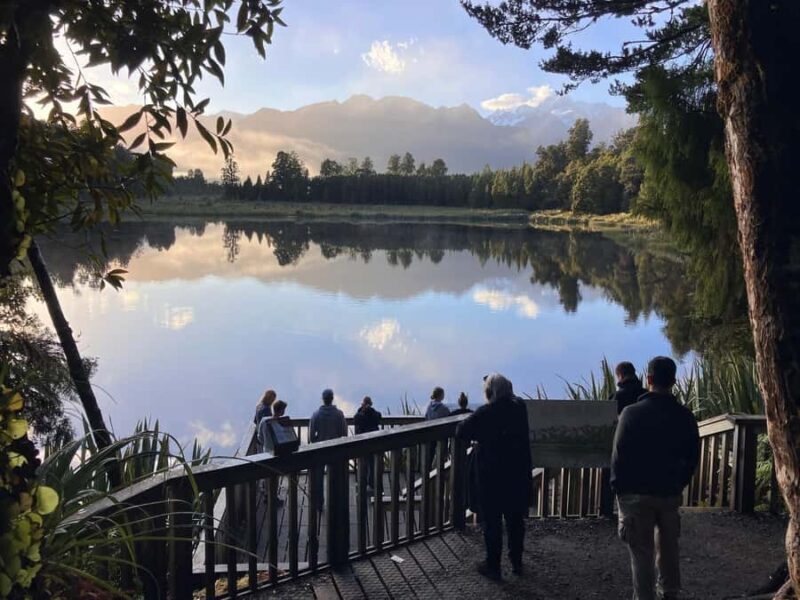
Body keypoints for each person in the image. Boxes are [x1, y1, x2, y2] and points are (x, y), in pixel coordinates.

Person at [611, 356, 700, 600]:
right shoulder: (685, 416)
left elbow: (618, 457)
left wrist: (619, 489)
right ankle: (670, 593)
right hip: (669, 493)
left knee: (642, 554)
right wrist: (678, 483)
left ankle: (645, 597)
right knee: (670, 548)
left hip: (636, 495)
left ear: (648, 379)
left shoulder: (630, 414)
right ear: (673, 381)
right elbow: (692, 457)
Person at [456, 374, 531, 581]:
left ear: (490, 393)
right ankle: (517, 563)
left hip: (492, 479)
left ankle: (493, 566)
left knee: (492, 523)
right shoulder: (520, 408)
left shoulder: (487, 412)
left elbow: (462, 431)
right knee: (516, 521)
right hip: (516, 475)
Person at [309, 388, 347, 511]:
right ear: (332, 398)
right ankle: (335, 504)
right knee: (336, 478)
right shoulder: (339, 414)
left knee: (318, 479)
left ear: (323, 399)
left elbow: (310, 436)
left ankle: (319, 504)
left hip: (320, 450)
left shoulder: (316, 414)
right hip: (335, 449)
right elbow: (344, 433)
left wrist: (316, 442)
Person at [257, 400, 288, 506]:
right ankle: (273, 499)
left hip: (266, 452)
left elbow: (259, 437)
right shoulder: (279, 424)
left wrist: (265, 444)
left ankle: (266, 495)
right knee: (275, 477)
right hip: (276, 454)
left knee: (267, 476)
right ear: (281, 411)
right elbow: (284, 439)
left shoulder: (264, 421)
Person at [354, 396, 382, 490]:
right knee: (371, 464)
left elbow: (356, 418)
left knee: (363, 464)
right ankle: (371, 484)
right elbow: (379, 416)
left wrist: (362, 409)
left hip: (362, 442)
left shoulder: (360, 415)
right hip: (374, 442)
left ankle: (362, 482)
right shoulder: (375, 414)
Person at [424, 386, 450, 473]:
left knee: (430, 455)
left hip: (430, 434)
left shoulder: (428, 407)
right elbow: (449, 418)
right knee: (441, 454)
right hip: (440, 435)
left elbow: (426, 418)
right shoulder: (443, 408)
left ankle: (428, 473)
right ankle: (439, 472)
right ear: (441, 395)